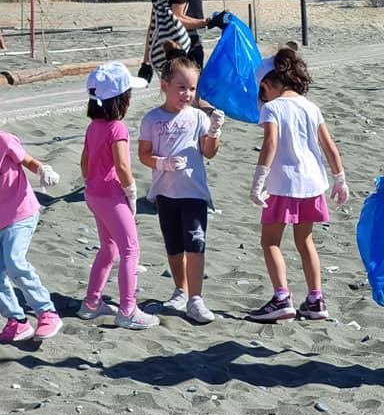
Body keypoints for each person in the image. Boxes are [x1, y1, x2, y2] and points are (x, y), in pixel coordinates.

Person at [246, 46, 348, 323]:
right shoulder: (310, 106)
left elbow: (270, 144)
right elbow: (330, 147)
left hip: (283, 184)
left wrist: (258, 182)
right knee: (305, 240)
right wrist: (340, 179)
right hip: (313, 183)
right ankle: (316, 299)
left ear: (266, 85)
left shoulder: (272, 108)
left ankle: (281, 298)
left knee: (270, 242)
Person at [138, 46, 224, 324]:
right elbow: (143, 154)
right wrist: (161, 163)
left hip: (194, 193)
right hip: (165, 193)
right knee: (174, 246)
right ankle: (180, 289)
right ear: (165, 85)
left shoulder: (197, 116)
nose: (187, 94)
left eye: (192, 88)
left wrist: (214, 130)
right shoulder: (152, 119)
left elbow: (208, 152)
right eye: (181, 87)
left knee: (195, 243)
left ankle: (196, 298)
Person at [79, 61, 158, 330]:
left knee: (109, 248)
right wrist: (131, 192)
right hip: (112, 196)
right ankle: (127, 309)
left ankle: (91, 303)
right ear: (121, 100)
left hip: (94, 195)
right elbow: (123, 166)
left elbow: (84, 164)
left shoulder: (94, 127)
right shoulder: (117, 129)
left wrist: (93, 185)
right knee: (130, 249)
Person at [0, 133, 63, 343]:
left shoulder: (3, 140)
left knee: (14, 262)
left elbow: (27, 160)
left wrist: (43, 170)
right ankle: (17, 321)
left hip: (20, 213)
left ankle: (47, 312)